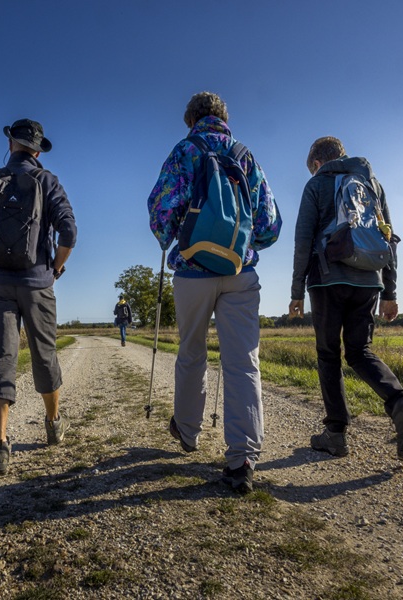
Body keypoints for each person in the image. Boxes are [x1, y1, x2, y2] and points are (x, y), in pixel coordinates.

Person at [148, 92, 282, 494]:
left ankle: (188, 432)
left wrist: (169, 237)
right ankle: (242, 459)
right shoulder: (244, 155)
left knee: (191, 352)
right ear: (224, 118)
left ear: (191, 120)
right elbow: (269, 225)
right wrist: (244, 242)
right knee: (243, 362)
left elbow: (161, 212)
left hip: (192, 269)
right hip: (240, 271)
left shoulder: (185, 150)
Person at [289, 136, 403, 461]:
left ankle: (335, 434)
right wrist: (389, 291)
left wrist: (296, 291)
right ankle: (402, 404)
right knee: (359, 351)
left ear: (317, 163)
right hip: (369, 279)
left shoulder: (317, 184)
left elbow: (303, 239)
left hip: (327, 279)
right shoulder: (371, 184)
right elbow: (388, 236)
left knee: (328, 354)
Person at [0, 118, 77, 477]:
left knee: (0, 358)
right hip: (38, 283)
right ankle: (53, 423)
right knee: (44, 354)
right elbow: (69, 232)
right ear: (38, 151)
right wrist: (54, 269)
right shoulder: (48, 182)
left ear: (10, 144)